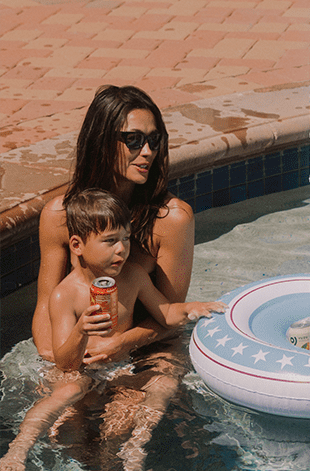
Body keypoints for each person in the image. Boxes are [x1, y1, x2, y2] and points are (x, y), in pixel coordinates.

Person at [0, 190, 222, 471]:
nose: (122, 250)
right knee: (70, 389)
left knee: (164, 384)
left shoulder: (133, 277)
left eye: (126, 239)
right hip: (78, 371)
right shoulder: (64, 295)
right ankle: (20, 446)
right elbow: (65, 363)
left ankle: (135, 446)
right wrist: (81, 330)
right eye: (110, 241)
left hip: (118, 367)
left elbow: (165, 313)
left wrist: (195, 308)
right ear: (77, 245)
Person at [32, 85, 195, 364]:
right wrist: (55, 363)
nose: (147, 152)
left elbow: (169, 317)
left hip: (148, 352)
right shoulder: (59, 215)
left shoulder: (171, 219)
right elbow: (45, 307)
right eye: (133, 139)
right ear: (101, 141)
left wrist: (123, 343)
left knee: (142, 405)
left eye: (154, 140)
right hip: (78, 350)